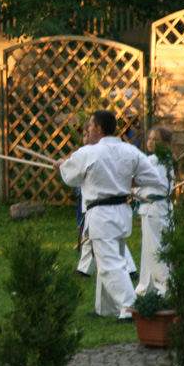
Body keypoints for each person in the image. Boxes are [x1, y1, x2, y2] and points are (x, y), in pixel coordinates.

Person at [53, 110, 164, 323]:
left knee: (109, 265)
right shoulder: (129, 150)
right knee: (115, 257)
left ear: (98, 129)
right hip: (122, 211)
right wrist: (130, 181)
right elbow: (153, 176)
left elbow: (70, 178)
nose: (87, 130)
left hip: (102, 213)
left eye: (90, 126)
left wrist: (60, 166)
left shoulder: (89, 153)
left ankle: (130, 308)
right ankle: (106, 308)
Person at [74, 119, 138, 281]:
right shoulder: (84, 154)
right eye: (83, 136)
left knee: (112, 241)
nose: (86, 139)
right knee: (90, 238)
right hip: (91, 205)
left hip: (103, 206)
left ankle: (130, 269)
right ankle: (84, 269)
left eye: (88, 135)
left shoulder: (99, 155)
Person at [134, 126, 174, 297]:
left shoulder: (155, 160)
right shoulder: (162, 159)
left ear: (165, 143)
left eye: (155, 139)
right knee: (148, 249)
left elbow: (147, 180)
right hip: (157, 206)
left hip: (154, 207)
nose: (150, 142)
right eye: (149, 138)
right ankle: (145, 287)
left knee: (155, 249)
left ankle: (166, 287)